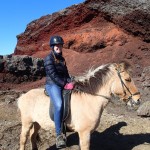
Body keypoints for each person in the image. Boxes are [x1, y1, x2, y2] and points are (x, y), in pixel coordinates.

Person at [44, 35, 74, 148]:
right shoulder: (48, 58)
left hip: (62, 83)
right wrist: (64, 84)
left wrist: (70, 82)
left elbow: (66, 73)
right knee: (59, 104)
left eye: (60, 45)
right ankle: (58, 135)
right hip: (52, 84)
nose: (58, 47)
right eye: (56, 45)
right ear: (52, 47)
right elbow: (53, 75)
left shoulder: (62, 59)